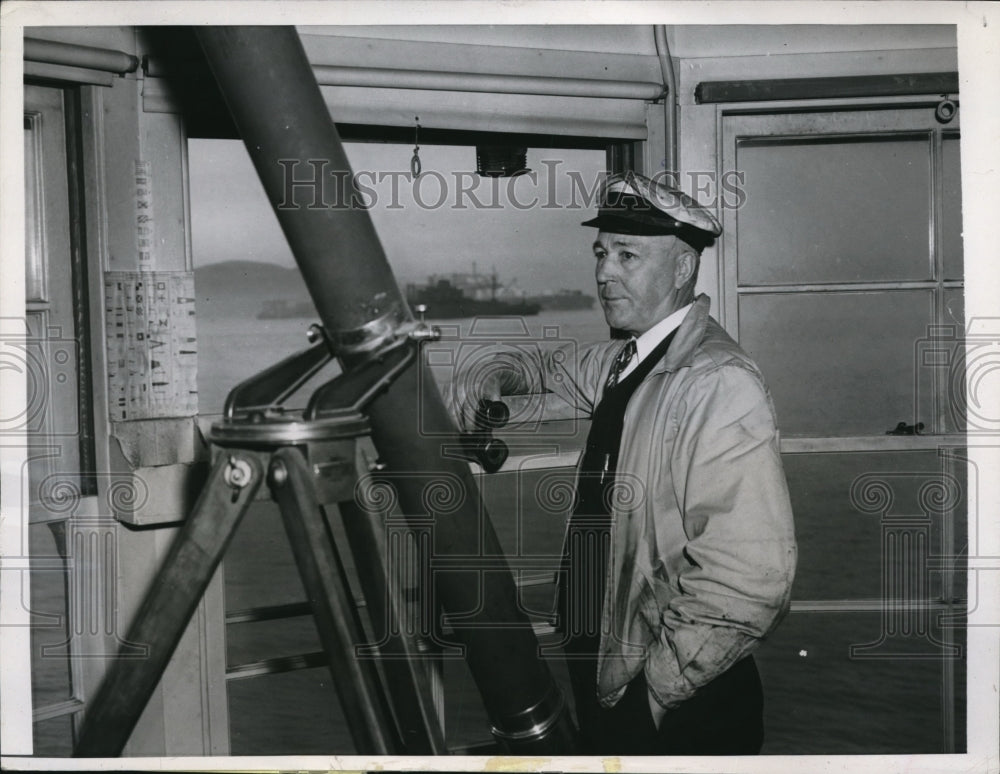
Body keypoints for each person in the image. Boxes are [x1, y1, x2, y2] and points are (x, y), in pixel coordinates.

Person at [449, 171, 797, 755]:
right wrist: (491, 373)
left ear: (683, 269)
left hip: (678, 703)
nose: (604, 272)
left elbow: (750, 578)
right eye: (601, 252)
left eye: (627, 256)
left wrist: (653, 700)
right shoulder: (629, 361)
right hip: (608, 667)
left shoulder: (714, 382)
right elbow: (545, 370)